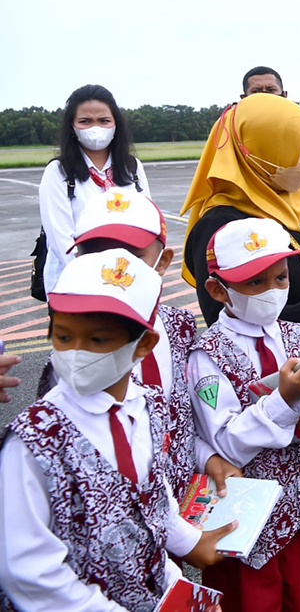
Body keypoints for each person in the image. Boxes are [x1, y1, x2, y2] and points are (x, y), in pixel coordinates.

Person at [0, 249, 233, 610]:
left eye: (97, 340)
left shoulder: (149, 406)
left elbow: (153, 504)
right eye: (63, 336)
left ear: (144, 344)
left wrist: (183, 562)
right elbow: (28, 569)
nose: (76, 353)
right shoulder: (33, 440)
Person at [188, 217, 300, 612]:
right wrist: (284, 399)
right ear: (217, 289)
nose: (272, 292)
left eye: (280, 278)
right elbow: (226, 443)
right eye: (255, 283)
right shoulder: (207, 355)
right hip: (243, 520)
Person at [69, 188, 241, 501]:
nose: (115, 272)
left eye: (131, 257)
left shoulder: (179, 327)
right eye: (98, 256)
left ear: (162, 262)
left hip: (179, 498)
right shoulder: (73, 347)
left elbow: (181, 417)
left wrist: (206, 457)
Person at [181, 94, 300, 342]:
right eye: (297, 148)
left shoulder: (294, 199)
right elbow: (222, 320)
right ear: (260, 151)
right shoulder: (220, 223)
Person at [38, 84, 150, 295]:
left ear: (116, 124)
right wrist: (97, 278)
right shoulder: (58, 171)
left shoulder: (132, 167)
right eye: (85, 121)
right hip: (75, 283)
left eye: (104, 120)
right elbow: (61, 237)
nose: (95, 128)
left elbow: (148, 224)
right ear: (72, 126)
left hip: (126, 280)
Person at [241, 66, 300, 242]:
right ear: (243, 98)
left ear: (284, 95)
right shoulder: (234, 138)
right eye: (256, 91)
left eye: (271, 90)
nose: (265, 96)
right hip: (257, 238)